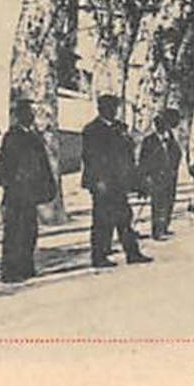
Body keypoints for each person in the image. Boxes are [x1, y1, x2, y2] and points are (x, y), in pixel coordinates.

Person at [82, 94, 152, 267]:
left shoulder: (119, 129)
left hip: (119, 182)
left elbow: (128, 158)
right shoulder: (92, 130)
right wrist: (98, 181)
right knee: (102, 220)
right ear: (101, 109)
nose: (113, 111)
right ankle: (99, 256)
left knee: (125, 217)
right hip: (103, 183)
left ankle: (132, 253)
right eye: (110, 108)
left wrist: (137, 183)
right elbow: (90, 158)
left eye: (115, 108)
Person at [0, 97, 56, 282]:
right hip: (17, 193)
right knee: (14, 232)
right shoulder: (12, 136)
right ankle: (11, 271)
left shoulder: (33, 136)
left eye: (32, 114)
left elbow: (42, 165)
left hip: (30, 193)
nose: (31, 117)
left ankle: (26, 266)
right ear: (20, 115)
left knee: (29, 231)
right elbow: (4, 166)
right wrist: (12, 184)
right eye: (28, 113)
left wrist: (47, 187)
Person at [136, 109, 182, 240]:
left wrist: (174, 168)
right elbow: (143, 161)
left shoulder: (171, 139)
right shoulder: (149, 141)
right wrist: (145, 177)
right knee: (158, 204)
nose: (163, 127)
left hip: (170, 175)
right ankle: (157, 231)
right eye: (160, 124)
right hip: (156, 176)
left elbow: (177, 154)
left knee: (169, 201)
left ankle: (165, 227)